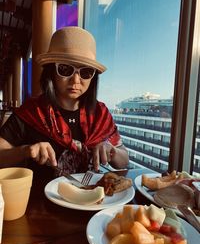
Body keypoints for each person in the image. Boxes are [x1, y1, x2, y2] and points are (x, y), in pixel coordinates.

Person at [0, 27, 129, 176]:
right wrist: (26, 151)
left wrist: (112, 151)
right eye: (65, 69)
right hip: (42, 197)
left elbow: (124, 159)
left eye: (86, 72)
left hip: (90, 195)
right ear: (51, 72)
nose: (75, 80)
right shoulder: (32, 111)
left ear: (93, 78)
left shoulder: (100, 113)